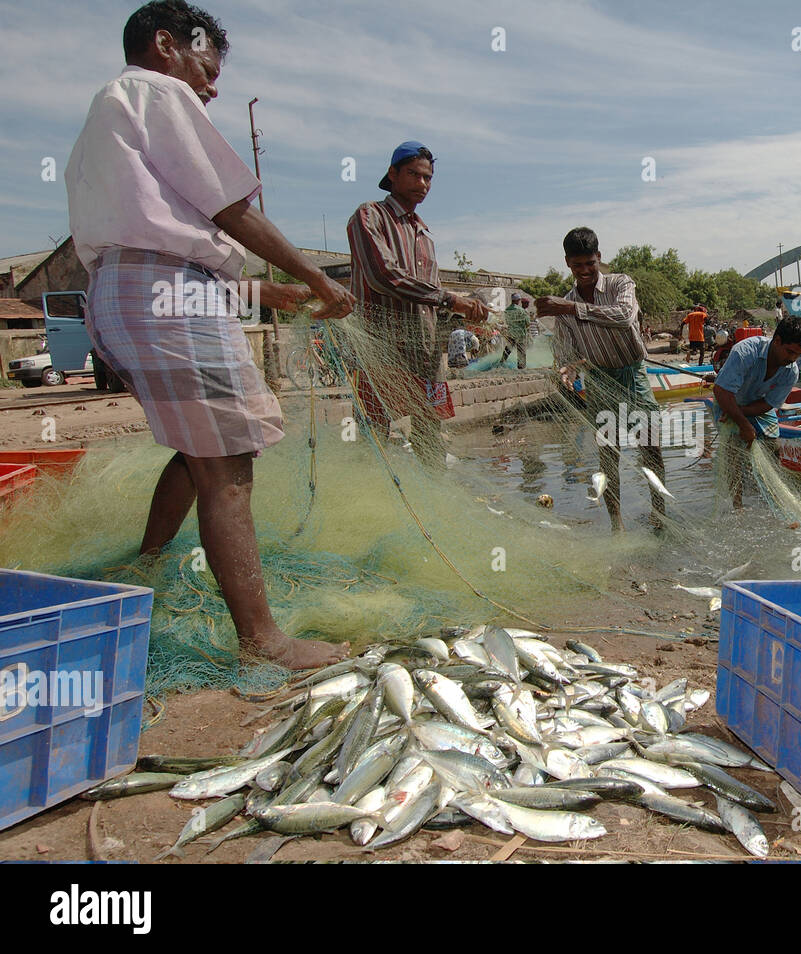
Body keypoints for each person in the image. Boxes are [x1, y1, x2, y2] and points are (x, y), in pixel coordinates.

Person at [65, 0, 355, 670]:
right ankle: (262, 640)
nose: (212, 85)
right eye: (206, 64)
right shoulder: (155, 91)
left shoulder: (105, 114)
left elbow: (149, 241)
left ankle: (149, 561)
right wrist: (316, 278)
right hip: (165, 295)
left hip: (126, 291)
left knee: (198, 450)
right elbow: (227, 209)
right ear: (166, 44)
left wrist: (264, 290)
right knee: (227, 462)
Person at [346, 141, 488, 460]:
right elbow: (383, 276)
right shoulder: (370, 216)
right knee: (374, 436)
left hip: (423, 355)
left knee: (430, 436)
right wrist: (452, 300)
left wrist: (465, 313)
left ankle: (432, 502)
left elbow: (434, 300)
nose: (422, 184)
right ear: (392, 174)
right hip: (379, 352)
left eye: (427, 178)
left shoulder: (424, 236)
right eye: (413, 174)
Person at [535, 227, 666, 532]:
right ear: (568, 262)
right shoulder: (564, 305)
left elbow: (623, 316)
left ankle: (659, 516)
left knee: (652, 447)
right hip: (598, 381)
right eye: (577, 265)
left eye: (590, 264)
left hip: (633, 375)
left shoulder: (620, 283)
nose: (584, 271)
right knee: (608, 456)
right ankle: (617, 524)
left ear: (599, 258)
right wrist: (566, 369)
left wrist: (569, 308)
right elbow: (566, 351)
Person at [713, 315, 801, 507]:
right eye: (789, 352)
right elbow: (721, 391)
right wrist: (742, 423)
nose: (792, 359)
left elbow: (769, 404)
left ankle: (774, 505)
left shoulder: (791, 370)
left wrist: (744, 414)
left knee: (772, 450)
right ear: (777, 341)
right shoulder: (746, 352)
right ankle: (738, 505)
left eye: (797, 355)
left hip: (756, 405)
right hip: (729, 400)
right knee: (734, 450)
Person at [500, 292, 530, 369]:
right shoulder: (521, 310)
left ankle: (501, 364)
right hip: (520, 334)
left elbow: (507, 321)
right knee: (521, 351)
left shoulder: (507, 310)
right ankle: (521, 367)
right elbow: (527, 323)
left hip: (510, 333)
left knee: (508, 349)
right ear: (517, 300)